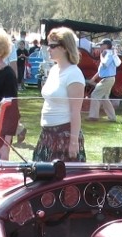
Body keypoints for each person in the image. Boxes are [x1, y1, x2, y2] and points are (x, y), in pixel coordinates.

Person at [34, 27, 85, 162]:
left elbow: (76, 111)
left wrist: (73, 142)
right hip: (47, 134)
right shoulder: (54, 70)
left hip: (64, 135)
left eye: (52, 46)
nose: (48, 49)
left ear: (64, 47)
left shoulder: (74, 74)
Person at [87, 38, 120, 122]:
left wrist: (101, 56)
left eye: (101, 45)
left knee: (95, 95)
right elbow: (101, 70)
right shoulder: (108, 54)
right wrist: (93, 78)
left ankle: (93, 116)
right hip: (108, 79)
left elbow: (105, 64)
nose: (100, 47)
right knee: (104, 98)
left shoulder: (108, 54)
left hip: (107, 79)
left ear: (106, 46)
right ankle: (112, 117)